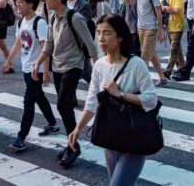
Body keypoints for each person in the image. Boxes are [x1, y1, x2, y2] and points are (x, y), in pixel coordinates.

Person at [68, 14, 158, 185]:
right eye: (98, 32)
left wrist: (120, 94)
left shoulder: (136, 64)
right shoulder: (100, 65)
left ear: (120, 37)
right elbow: (92, 101)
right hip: (111, 135)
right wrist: (78, 128)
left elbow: (152, 100)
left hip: (134, 137)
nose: (101, 38)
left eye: (107, 33)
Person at [33, 0, 97, 168]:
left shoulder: (74, 17)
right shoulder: (53, 18)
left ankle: (73, 146)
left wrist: (97, 67)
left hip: (73, 65)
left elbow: (90, 43)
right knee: (65, 106)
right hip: (58, 65)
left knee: (62, 104)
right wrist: (39, 63)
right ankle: (71, 143)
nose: (45, 0)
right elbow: (49, 45)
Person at [2, 0, 59, 151]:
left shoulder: (39, 23)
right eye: (17, 2)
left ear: (30, 4)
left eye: (21, 2)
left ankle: (21, 137)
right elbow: (18, 43)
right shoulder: (21, 23)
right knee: (39, 96)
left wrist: (46, 71)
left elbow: (45, 48)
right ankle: (53, 124)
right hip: (27, 67)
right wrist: (8, 60)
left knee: (28, 102)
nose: (18, 5)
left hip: (37, 69)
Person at [129, 0, 167, 86]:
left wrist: (160, 31)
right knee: (152, 54)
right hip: (140, 27)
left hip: (150, 28)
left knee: (144, 57)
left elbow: (159, 13)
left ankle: (140, 84)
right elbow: (129, 2)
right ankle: (162, 78)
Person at [160, 0, 185, 79]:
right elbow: (159, 9)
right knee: (177, 48)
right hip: (168, 26)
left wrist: (167, 8)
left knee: (173, 49)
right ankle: (182, 67)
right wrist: (167, 8)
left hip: (177, 26)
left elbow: (177, 11)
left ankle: (168, 71)